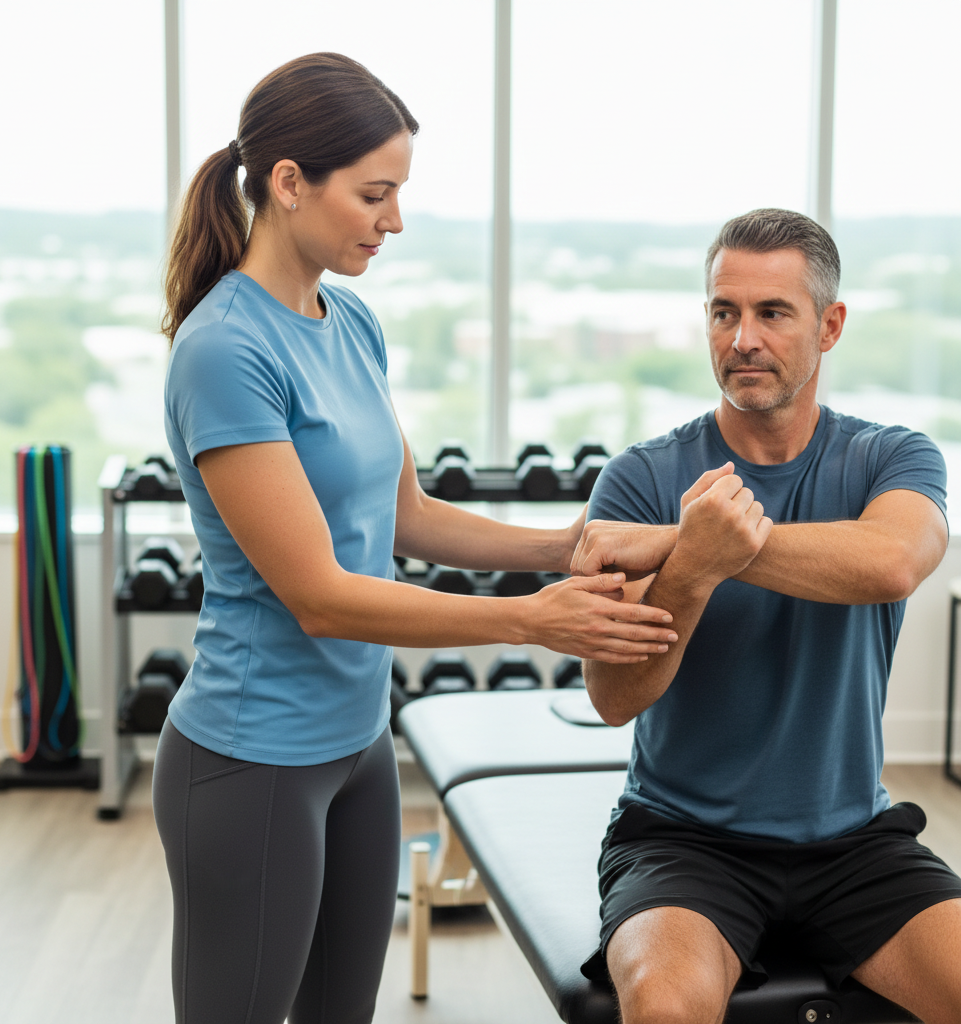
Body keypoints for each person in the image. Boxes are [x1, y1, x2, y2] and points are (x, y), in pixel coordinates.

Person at [151, 53, 678, 1024]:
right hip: (251, 757)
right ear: (289, 183)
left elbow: (409, 518)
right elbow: (320, 593)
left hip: (356, 745)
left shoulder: (347, 321)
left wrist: (570, 545)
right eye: (375, 193)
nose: (393, 220)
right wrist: (533, 622)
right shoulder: (226, 350)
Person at [570, 208, 961, 1024]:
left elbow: (890, 563)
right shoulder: (640, 478)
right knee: (666, 1011)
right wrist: (695, 568)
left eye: (772, 313)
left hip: (855, 842)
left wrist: (685, 544)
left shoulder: (891, 457)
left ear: (830, 325)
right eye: (724, 311)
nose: (742, 338)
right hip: (683, 842)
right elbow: (613, 699)